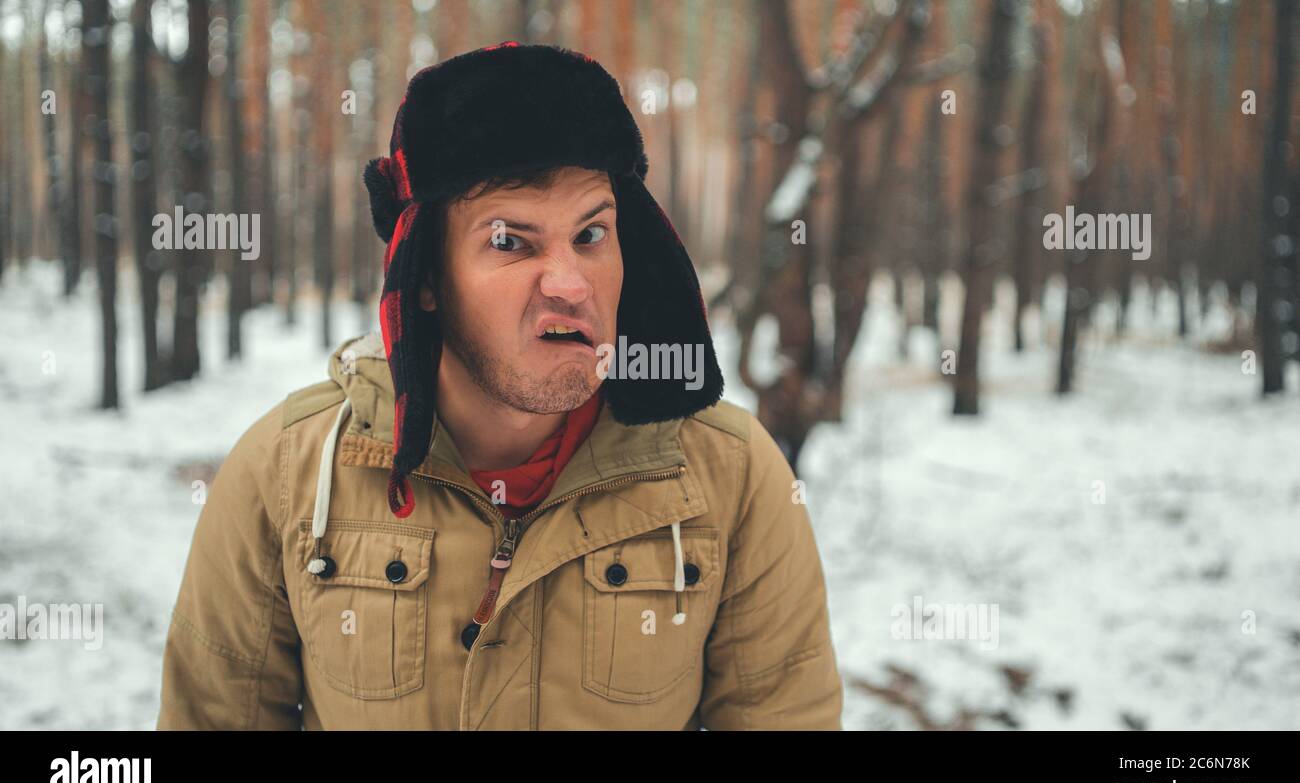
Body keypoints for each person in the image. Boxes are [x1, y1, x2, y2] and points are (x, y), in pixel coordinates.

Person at [157, 42, 842, 730]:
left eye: (592, 233)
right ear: (426, 277)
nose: (571, 283)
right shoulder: (288, 476)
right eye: (511, 241)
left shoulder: (729, 478)